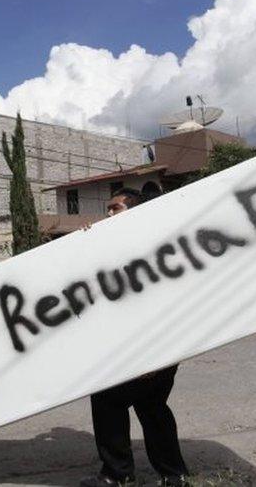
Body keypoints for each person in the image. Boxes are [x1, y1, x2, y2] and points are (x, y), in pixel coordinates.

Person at [81, 187, 189, 487]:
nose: (108, 214)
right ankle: (173, 474)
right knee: (153, 408)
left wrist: (160, 353)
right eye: (107, 209)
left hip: (152, 346)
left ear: (136, 210)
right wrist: (86, 240)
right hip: (151, 346)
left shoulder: (149, 247)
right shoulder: (126, 244)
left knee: (108, 399)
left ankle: (117, 475)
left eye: (116, 208)